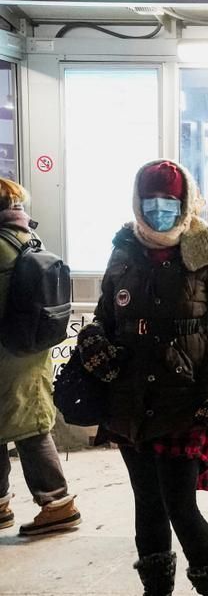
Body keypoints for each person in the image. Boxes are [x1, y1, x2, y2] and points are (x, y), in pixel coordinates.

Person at [78, 159, 208, 595]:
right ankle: (155, 590)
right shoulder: (123, 248)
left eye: (169, 201)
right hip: (127, 398)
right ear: (137, 202)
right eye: (150, 200)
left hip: (184, 402)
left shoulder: (205, 251)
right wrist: (93, 340)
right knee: (147, 503)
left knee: (181, 506)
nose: (159, 209)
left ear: (185, 202)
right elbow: (104, 315)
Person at [0, 177, 82, 537]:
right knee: (25, 425)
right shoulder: (28, 239)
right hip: (30, 355)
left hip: (6, 359)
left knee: (30, 433)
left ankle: (57, 504)